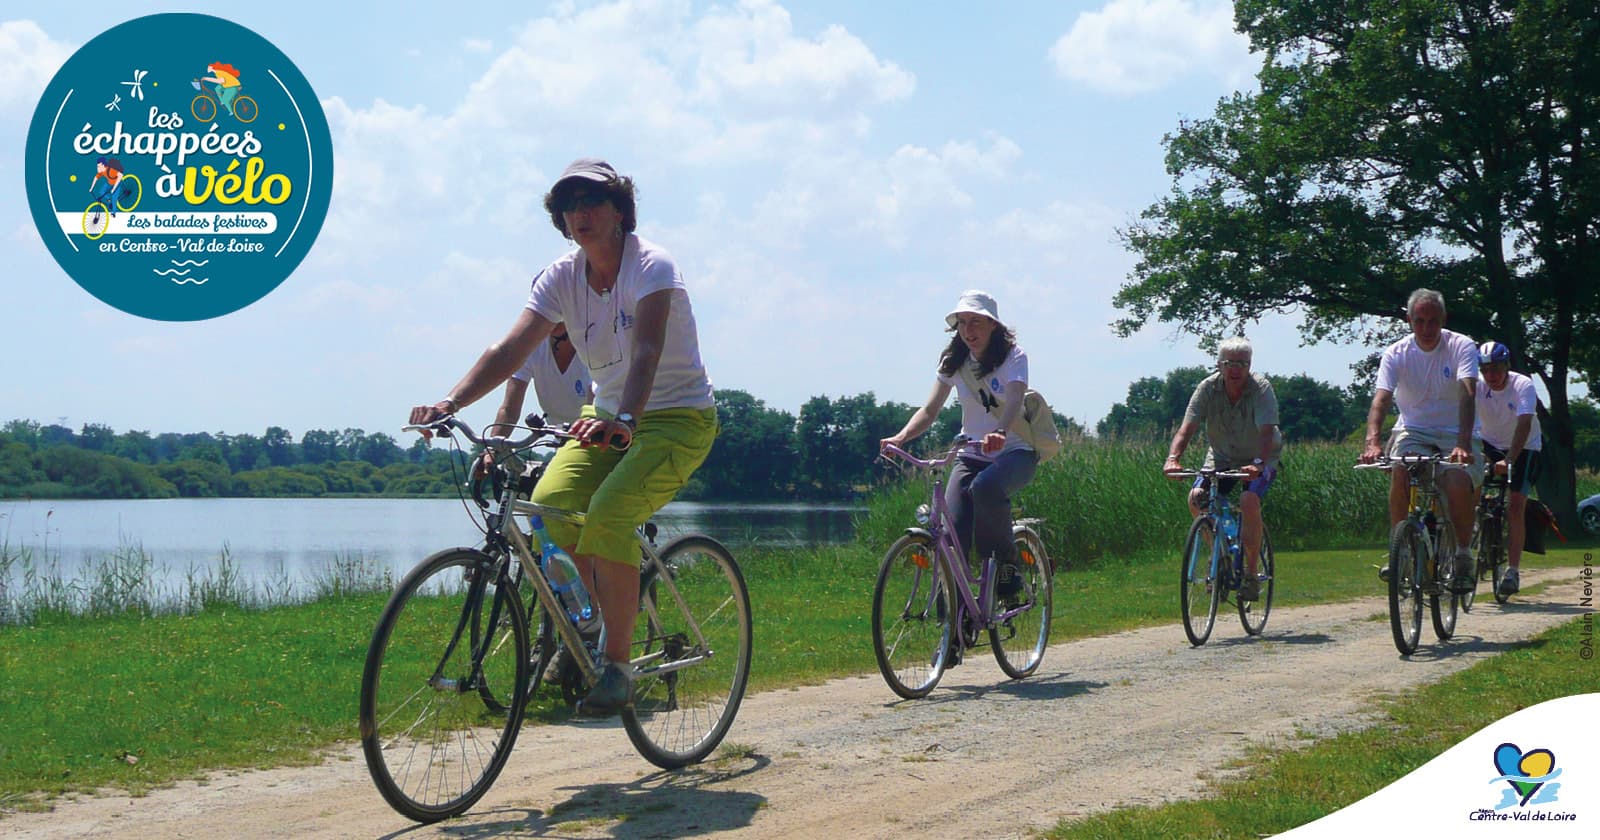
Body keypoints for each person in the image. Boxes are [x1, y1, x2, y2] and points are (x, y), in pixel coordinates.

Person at [410, 158, 718, 716]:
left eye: (593, 202)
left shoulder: (652, 266)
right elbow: (507, 352)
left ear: (621, 210)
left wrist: (624, 418)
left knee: (611, 513)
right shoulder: (560, 278)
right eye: (570, 206)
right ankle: (601, 614)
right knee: (549, 508)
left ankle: (618, 667)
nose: (581, 214)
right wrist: (449, 402)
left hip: (675, 417)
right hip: (602, 417)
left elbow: (646, 352)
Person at [879, 290, 1039, 633]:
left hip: (1015, 451)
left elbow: (1013, 401)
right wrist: (901, 437)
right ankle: (952, 625)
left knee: (987, 488)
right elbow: (930, 410)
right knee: (950, 533)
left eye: (976, 322)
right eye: (963, 323)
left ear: (993, 326)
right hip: (970, 453)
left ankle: (1009, 573)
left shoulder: (1014, 356)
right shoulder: (953, 362)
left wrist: (1000, 431)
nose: (969, 330)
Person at [1359, 288, 1484, 592]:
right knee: (1400, 472)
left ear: (1443, 319)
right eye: (1420, 321)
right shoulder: (1397, 353)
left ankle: (1463, 554)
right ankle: (1399, 549)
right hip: (1412, 429)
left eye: (1433, 321)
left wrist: (1464, 442)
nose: (1427, 329)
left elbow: (1468, 392)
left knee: (1455, 481)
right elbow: (1381, 399)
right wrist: (1372, 442)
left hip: (1456, 430)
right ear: (1409, 320)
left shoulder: (1461, 346)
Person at [1162, 337, 1283, 602]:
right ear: (1219, 364)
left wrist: (1259, 464)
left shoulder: (1261, 388)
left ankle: (1251, 574)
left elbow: (1266, 432)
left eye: (1242, 363)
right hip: (1221, 457)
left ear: (1250, 365)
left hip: (1260, 456)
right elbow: (1187, 428)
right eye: (1230, 363)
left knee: (1248, 500)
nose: (1236, 369)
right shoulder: (1206, 388)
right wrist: (1173, 458)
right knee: (1196, 499)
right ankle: (1217, 555)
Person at [1474, 341, 1542, 597]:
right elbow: (1465, 416)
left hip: (1524, 447)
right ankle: (1472, 527)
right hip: (1490, 442)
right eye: (1486, 370)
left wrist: (1510, 460)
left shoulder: (1522, 385)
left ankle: (1512, 571)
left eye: (1496, 369)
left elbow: (1524, 423)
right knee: (1470, 477)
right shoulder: (1477, 386)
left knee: (1515, 505)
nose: (1491, 376)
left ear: (1507, 367)